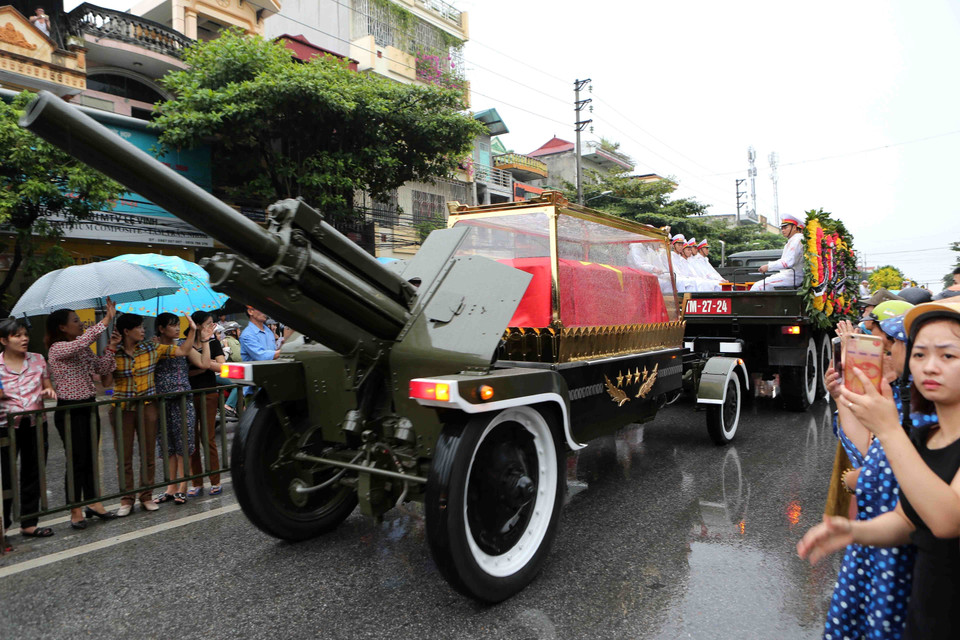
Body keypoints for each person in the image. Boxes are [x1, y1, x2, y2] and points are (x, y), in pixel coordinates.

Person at [798, 300, 960, 639]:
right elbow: (906, 520)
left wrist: (888, 430)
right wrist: (854, 532)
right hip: (922, 605)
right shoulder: (924, 435)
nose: (929, 367)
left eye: (948, 355)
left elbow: (947, 520)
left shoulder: (903, 430)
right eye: (920, 354)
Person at [111, 313, 199, 516]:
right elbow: (105, 380)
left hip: (150, 404)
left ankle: (147, 496)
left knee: (150, 452)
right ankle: (126, 500)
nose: (143, 330)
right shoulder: (115, 352)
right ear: (126, 331)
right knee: (125, 456)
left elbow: (183, 351)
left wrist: (193, 330)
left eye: (144, 327)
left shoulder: (151, 348)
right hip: (123, 407)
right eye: (139, 327)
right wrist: (110, 349)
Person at [46, 300, 120, 529]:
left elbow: (101, 368)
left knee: (90, 458)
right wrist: (106, 320)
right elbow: (85, 340)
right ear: (62, 327)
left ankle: (94, 503)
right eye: (76, 321)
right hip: (69, 410)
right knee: (76, 460)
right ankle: (75, 509)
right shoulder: (57, 349)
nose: (80, 324)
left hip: (88, 406)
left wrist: (111, 348)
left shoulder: (81, 347)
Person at [0, 318, 57, 538]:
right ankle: (3, 526)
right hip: (5, 427)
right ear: (4, 340)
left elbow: (47, 385)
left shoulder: (38, 360)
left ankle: (29, 522)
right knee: (5, 477)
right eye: (17, 335)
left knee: (32, 472)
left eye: (25, 334)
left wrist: (48, 392)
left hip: (35, 423)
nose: (24, 339)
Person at [152, 313, 212, 505]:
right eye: (172, 325)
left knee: (183, 445)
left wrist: (205, 340)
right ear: (161, 328)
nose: (177, 328)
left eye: (178, 325)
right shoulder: (154, 346)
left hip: (183, 400)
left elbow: (203, 363)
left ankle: (183, 487)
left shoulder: (182, 345)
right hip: (161, 401)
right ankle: (171, 487)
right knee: (167, 445)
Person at [185, 311, 225, 498]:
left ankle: (215, 481)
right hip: (189, 394)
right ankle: (197, 482)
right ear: (199, 325)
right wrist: (205, 364)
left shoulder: (214, 341)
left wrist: (201, 364)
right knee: (191, 439)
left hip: (209, 393)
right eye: (209, 323)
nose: (212, 326)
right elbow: (185, 373)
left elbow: (222, 367)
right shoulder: (186, 341)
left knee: (207, 437)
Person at [750, 213, 805, 291]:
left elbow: (787, 262)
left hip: (792, 277)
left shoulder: (796, 240)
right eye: (782, 228)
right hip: (789, 275)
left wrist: (768, 266)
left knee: (758, 287)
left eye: (785, 228)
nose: (783, 230)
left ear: (794, 228)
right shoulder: (793, 240)